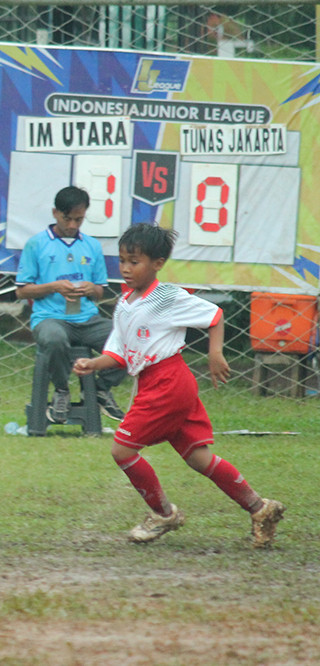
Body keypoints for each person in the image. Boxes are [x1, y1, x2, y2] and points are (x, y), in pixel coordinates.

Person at [74, 224, 285, 546]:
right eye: (123, 261)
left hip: (167, 382)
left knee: (122, 450)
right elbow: (117, 354)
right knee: (198, 458)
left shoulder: (167, 296)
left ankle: (163, 514)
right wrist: (92, 363)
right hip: (158, 383)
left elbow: (214, 314)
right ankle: (260, 508)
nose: (127, 269)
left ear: (157, 263)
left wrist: (215, 354)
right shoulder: (125, 303)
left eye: (135, 261)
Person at [15, 185, 126, 423]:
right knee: (54, 338)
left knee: (130, 337)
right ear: (55, 213)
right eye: (68, 218)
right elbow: (22, 290)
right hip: (50, 317)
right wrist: (53, 287)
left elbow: (99, 290)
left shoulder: (92, 246)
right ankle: (61, 390)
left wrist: (90, 289)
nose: (73, 225)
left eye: (79, 219)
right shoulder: (36, 244)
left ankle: (99, 389)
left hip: (87, 319)